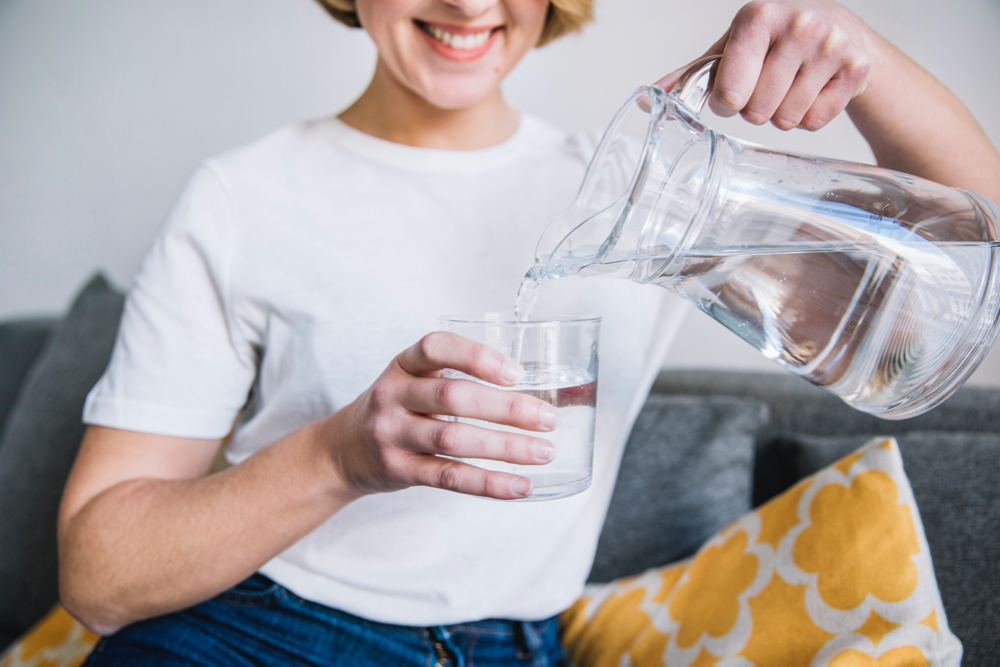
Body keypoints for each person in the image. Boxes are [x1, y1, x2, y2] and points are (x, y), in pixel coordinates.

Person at [58, 0, 1000, 664]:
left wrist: (857, 49)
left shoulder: (639, 196)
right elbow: (98, 576)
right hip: (261, 630)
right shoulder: (244, 196)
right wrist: (340, 456)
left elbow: (973, 264)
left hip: (518, 645)